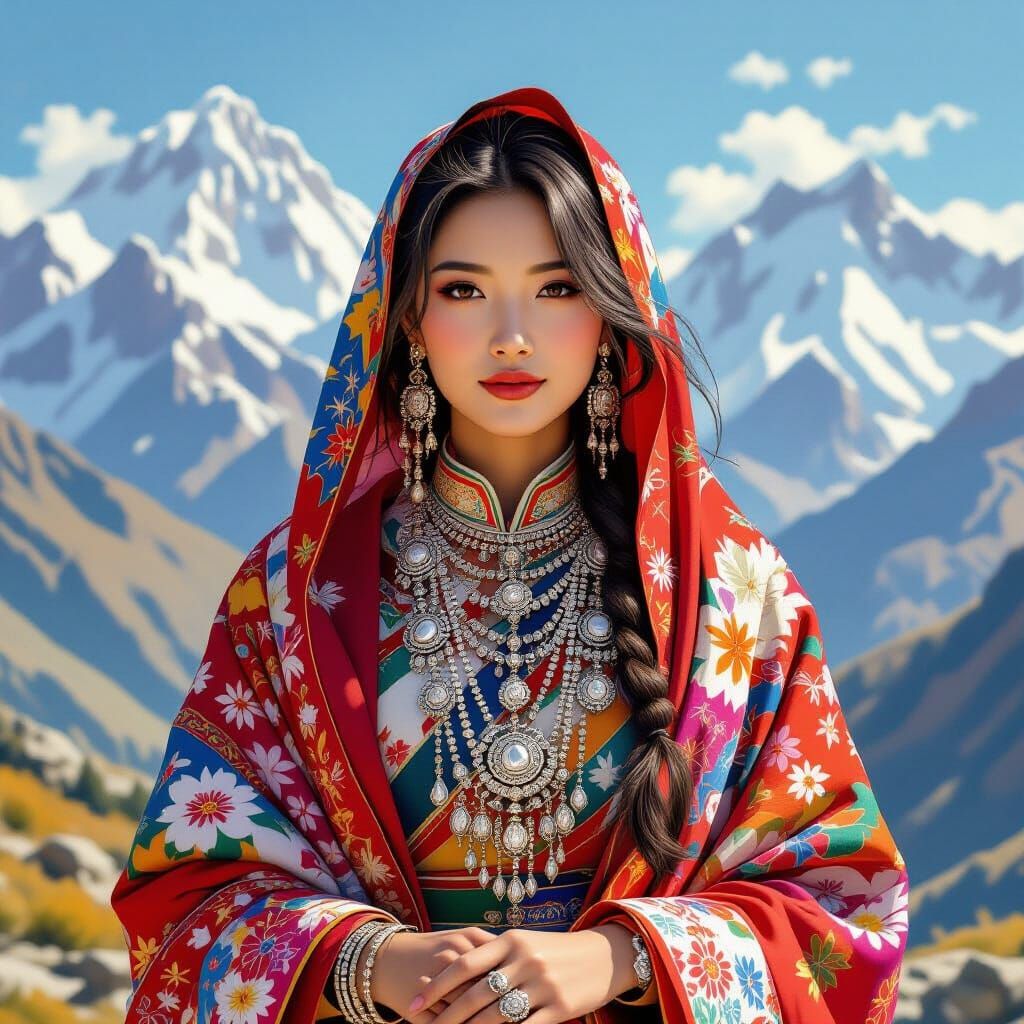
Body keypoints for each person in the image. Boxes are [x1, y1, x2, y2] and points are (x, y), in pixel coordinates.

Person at [111, 87, 908, 1024]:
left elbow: (841, 906)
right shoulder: (291, 595)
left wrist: (621, 957)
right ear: (407, 319)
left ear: (612, 311)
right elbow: (187, 896)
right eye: (463, 290)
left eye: (558, 287)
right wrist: (366, 961)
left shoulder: (734, 595)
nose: (512, 336)